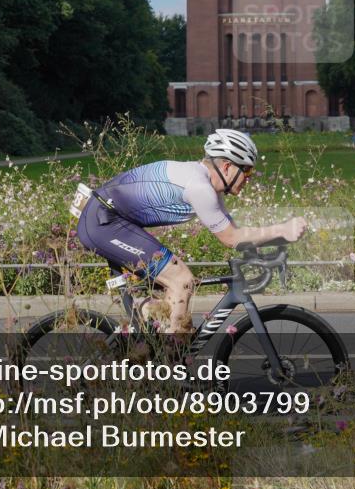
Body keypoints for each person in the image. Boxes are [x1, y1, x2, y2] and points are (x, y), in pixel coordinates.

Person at [76, 129, 307, 335]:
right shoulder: (200, 188)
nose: (248, 179)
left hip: (109, 219)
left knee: (173, 292)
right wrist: (283, 230)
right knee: (181, 280)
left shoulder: (207, 185)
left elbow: (235, 233)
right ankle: (172, 365)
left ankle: (149, 340)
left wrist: (271, 243)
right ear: (227, 166)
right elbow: (231, 239)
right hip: (103, 222)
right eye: (246, 171)